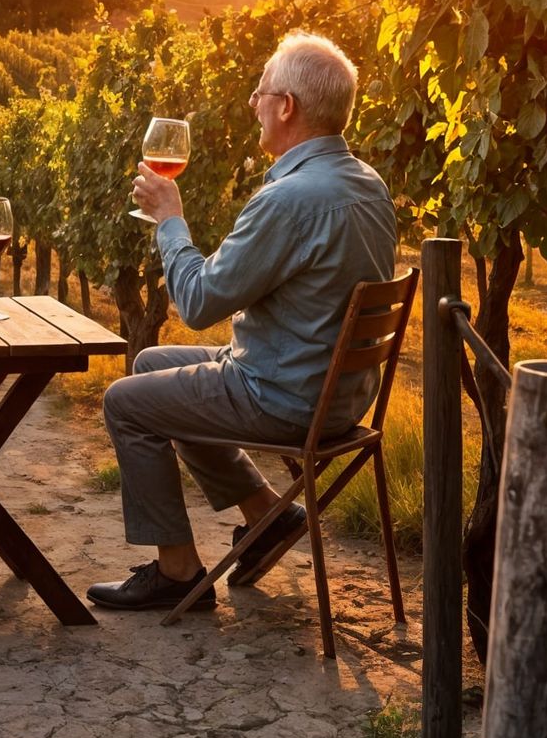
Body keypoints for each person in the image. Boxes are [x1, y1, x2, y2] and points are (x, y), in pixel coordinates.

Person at [88, 31, 396, 612]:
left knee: (126, 402)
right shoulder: (367, 183)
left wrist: (169, 220)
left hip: (285, 399)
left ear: (287, 106)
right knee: (152, 363)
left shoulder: (290, 198)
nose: (252, 102)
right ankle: (266, 515)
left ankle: (176, 570)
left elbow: (201, 304)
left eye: (261, 92)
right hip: (339, 395)